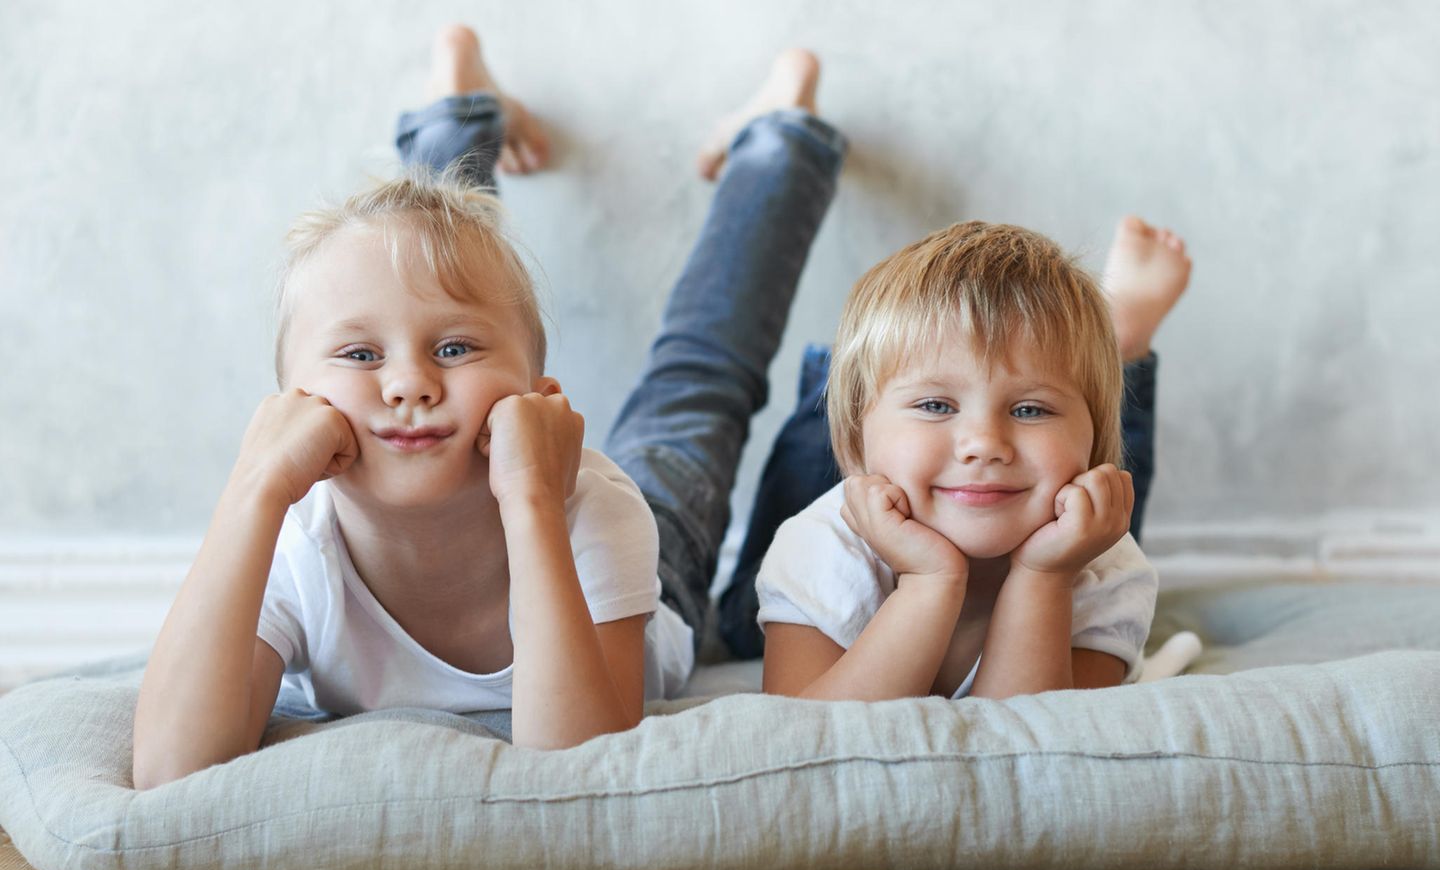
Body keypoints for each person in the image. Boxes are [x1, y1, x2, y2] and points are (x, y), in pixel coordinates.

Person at [131, 27, 844, 787]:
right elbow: (174, 767)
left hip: (641, 552)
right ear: (290, 405)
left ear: (538, 392)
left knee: (698, 379)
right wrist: (253, 487)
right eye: (360, 355)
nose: (408, 385)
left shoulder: (590, 513)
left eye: (455, 351)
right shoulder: (292, 542)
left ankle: (779, 137)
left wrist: (534, 499)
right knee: (428, 263)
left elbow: (574, 768)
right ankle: (456, 110)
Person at [752, 216, 1192, 700]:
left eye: (1030, 409)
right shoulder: (821, 548)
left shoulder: (1106, 571)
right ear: (855, 438)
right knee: (737, 620)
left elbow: (1031, 749)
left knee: (1115, 502)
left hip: (1055, 516)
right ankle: (1120, 333)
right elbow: (808, 742)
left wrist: (1043, 577)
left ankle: (1122, 340)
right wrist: (930, 581)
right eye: (935, 405)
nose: (984, 442)